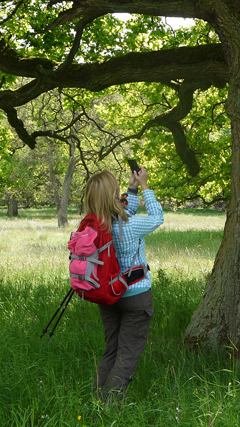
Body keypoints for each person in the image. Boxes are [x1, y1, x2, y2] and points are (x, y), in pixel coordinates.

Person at [81, 166, 163, 404]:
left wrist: (132, 188)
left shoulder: (96, 225)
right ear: (111, 196)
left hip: (107, 295)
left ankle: (97, 400)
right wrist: (146, 187)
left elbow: (126, 208)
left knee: (112, 350)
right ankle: (110, 407)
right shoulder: (130, 225)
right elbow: (157, 218)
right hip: (135, 296)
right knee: (127, 355)